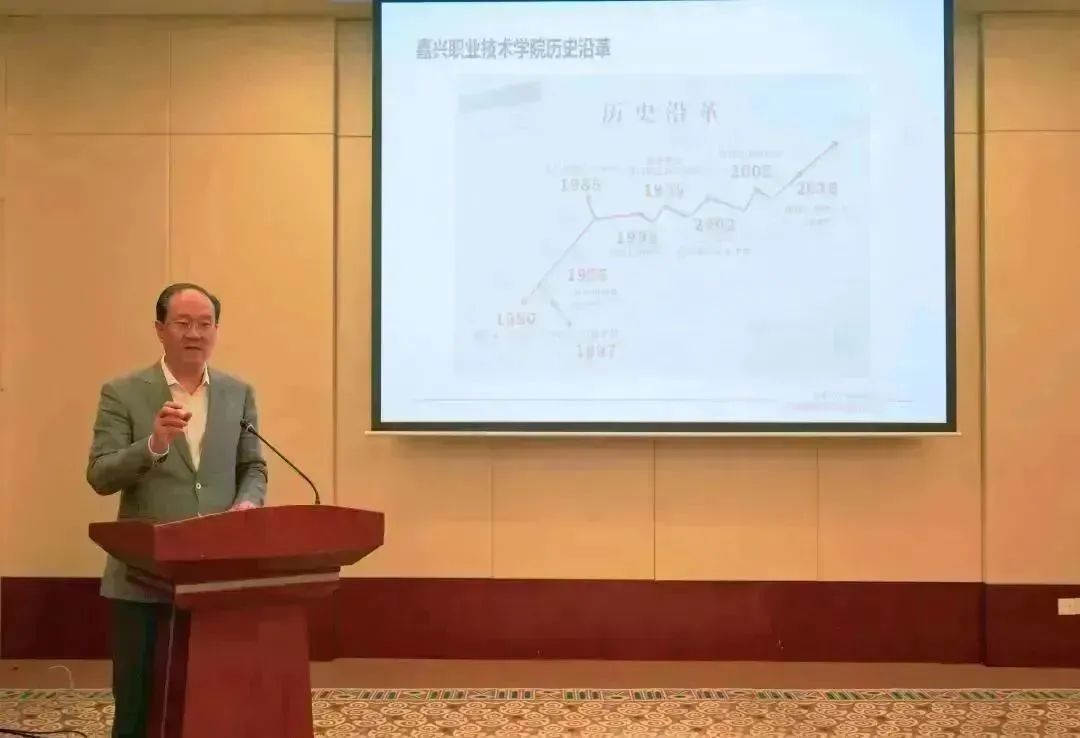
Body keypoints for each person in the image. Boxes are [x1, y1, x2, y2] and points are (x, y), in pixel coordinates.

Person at [85, 283, 268, 738]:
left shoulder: (237, 393)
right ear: (160, 329)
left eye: (205, 324)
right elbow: (100, 475)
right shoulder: (123, 392)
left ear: (216, 331)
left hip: (218, 578)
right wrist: (154, 444)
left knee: (214, 701)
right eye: (183, 323)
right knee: (139, 707)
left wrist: (248, 502)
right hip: (143, 578)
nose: (195, 334)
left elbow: (253, 466)